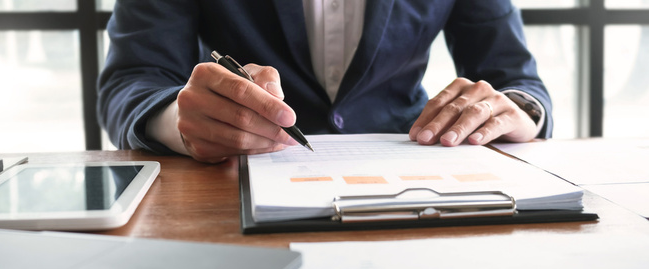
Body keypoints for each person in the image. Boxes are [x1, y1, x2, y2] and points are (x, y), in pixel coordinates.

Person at [97, 0, 551, 164]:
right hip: (234, 188)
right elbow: (131, 81)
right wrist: (179, 119)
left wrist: (514, 109)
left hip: (412, 179)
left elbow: (516, 80)